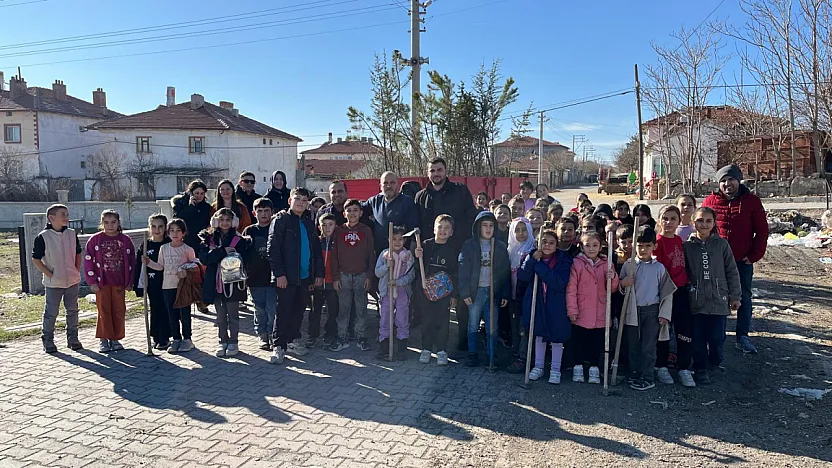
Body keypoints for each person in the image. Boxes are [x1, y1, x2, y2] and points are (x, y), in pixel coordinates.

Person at [702, 164, 768, 355]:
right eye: (723, 181)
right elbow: (702, 228)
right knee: (715, 297)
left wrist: (754, 255)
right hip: (716, 261)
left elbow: (762, 231)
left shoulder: (751, 201)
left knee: (743, 297)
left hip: (741, 260)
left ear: (738, 180)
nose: (727, 184)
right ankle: (716, 335)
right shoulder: (710, 201)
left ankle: (742, 336)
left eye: (731, 179)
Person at [414, 158, 478, 351]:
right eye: (432, 170)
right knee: (430, 301)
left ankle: (463, 341)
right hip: (431, 256)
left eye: (439, 170)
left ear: (446, 171)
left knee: (459, 297)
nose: (436, 174)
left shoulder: (460, 190)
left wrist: (464, 245)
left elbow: (471, 218)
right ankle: (429, 343)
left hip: (457, 252)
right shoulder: (421, 197)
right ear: (428, 173)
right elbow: (418, 226)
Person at [684, 207, 741, 385]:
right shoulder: (687, 246)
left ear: (714, 223)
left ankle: (715, 362)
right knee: (698, 338)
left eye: (708, 221)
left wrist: (735, 296)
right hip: (697, 300)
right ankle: (700, 368)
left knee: (717, 337)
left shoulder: (722, 245)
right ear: (693, 222)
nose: (704, 224)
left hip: (719, 300)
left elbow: (732, 271)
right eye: (700, 220)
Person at [268, 188, 324, 364]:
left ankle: (292, 340)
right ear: (290, 200)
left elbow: (315, 250)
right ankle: (279, 345)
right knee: (283, 311)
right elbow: (273, 249)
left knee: (299, 310)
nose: (301, 202)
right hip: (287, 276)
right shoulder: (281, 220)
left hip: (305, 276)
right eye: (297, 199)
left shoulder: (308, 223)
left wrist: (317, 274)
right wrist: (279, 274)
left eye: (304, 200)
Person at [618, 226, 676, 391]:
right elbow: (620, 287)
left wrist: (664, 314)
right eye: (640, 245)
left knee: (648, 346)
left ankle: (648, 376)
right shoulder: (628, 265)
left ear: (654, 246)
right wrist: (623, 283)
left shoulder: (659, 268)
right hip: (632, 311)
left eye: (647, 246)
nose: (643, 249)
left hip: (652, 311)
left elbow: (667, 292)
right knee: (633, 345)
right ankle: (635, 372)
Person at [518, 229, 573, 384]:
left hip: (556, 304)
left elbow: (558, 282)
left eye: (551, 243)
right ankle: (539, 366)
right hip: (537, 302)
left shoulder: (563, 261)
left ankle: (555, 369)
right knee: (539, 334)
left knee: (557, 336)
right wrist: (532, 260)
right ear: (537, 243)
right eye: (544, 242)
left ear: (556, 246)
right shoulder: (531, 257)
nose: (547, 245)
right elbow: (523, 276)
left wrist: (539, 266)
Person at [458, 211, 510, 367]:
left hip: (493, 291)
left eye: (491, 225)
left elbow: (505, 272)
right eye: (484, 225)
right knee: (473, 323)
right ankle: (472, 354)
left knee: (492, 326)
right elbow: (463, 270)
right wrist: (465, 292)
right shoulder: (469, 246)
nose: (488, 229)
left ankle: (491, 355)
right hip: (476, 291)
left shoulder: (500, 247)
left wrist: (505, 293)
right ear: (478, 227)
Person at [565, 231, 619, 384]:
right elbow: (571, 288)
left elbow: (612, 289)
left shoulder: (607, 263)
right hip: (581, 309)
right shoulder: (577, 263)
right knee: (578, 340)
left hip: (600, 310)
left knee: (596, 341)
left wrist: (613, 278)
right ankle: (578, 366)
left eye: (595, 245)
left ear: (600, 246)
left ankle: (594, 367)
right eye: (587, 245)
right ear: (581, 247)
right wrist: (572, 309)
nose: (591, 248)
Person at [32, 204, 83, 353]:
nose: (66, 217)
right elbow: (36, 259)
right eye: (63, 215)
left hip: (72, 281)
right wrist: (50, 275)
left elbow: (78, 253)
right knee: (51, 312)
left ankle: (73, 338)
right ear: (52, 218)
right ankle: (48, 339)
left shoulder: (72, 233)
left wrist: (75, 270)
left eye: (67, 214)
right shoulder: (43, 237)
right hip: (53, 283)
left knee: (73, 310)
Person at [652, 205, 693, 386]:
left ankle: (684, 367)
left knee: (684, 329)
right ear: (659, 220)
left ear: (679, 221)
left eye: (673, 219)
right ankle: (661, 366)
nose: (668, 222)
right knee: (663, 330)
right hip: (665, 291)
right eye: (665, 218)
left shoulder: (678, 240)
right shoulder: (657, 242)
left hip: (682, 290)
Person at [84, 210, 135, 353]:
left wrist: (130, 281)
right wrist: (92, 281)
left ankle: (115, 338)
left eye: (113, 222)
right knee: (104, 310)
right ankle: (103, 339)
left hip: (119, 282)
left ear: (118, 223)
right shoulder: (95, 240)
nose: (110, 225)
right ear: (102, 223)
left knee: (119, 310)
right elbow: (88, 261)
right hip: (102, 283)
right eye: (106, 222)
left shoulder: (125, 240)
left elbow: (132, 261)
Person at [200, 208, 248, 358]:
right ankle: (222, 341)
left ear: (233, 222)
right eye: (221, 220)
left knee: (233, 315)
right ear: (215, 221)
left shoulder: (239, 240)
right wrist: (223, 251)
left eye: (228, 220)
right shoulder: (207, 239)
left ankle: (233, 342)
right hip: (215, 284)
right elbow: (204, 259)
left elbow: (243, 260)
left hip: (233, 284)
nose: (225, 223)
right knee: (220, 316)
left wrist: (226, 254)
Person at [329, 199, 376, 352]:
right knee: (344, 308)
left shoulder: (366, 230)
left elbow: (371, 254)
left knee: (361, 307)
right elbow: (334, 255)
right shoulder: (339, 230)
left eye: (355, 210)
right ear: (344, 214)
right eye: (349, 210)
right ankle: (342, 336)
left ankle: (361, 336)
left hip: (361, 275)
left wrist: (369, 276)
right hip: (343, 275)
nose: (352, 213)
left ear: (361, 213)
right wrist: (335, 277)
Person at [145, 218, 197, 354]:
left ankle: (187, 339)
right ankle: (176, 338)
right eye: (172, 230)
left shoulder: (188, 249)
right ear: (168, 233)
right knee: (171, 315)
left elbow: (195, 266)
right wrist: (149, 262)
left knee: (184, 314)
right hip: (167, 286)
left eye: (178, 230)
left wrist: (186, 270)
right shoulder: (164, 248)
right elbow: (160, 266)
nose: (175, 233)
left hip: (183, 287)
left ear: (184, 233)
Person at [414, 214, 458, 366]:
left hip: (444, 293)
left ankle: (441, 350)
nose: (443, 230)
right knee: (427, 320)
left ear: (451, 232)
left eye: (447, 228)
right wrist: (417, 255)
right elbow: (417, 267)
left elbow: (455, 273)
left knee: (442, 321)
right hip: (426, 292)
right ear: (434, 229)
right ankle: (426, 348)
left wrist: (454, 295)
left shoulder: (452, 250)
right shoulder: (425, 245)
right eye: (440, 227)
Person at [375, 225, 415, 358]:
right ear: (388, 240)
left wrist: (398, 282)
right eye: (394, 239)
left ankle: (402, 346)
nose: (397, 242)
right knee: (385, 317)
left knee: (402, 318)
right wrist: (387, 266)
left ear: (404, 240)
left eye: (400, 239)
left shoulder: (408, 256)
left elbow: (411, 276)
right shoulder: (384, 255)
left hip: (402, 292)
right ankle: (384, 346)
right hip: (387, 292)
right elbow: (377, 272)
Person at [242, 197, 277, 350]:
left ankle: (272, 334)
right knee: (259, 308)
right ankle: (262, 335)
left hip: (273, 277)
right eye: (260, 211)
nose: (263, 214)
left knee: (272, 308)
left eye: (266, 211)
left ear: (272, 212)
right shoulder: (249, 231)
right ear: (254, 213)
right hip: (254, 278)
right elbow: (243, 253)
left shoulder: (276, 228)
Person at [134, 214, 171, 350]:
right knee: (155, 309)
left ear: (165, 227)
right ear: (149, 227)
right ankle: (156, 336)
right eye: (153, 226)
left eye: (160, 226)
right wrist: (137, 286)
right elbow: (139, 266)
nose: (157, 230)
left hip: (168, 283)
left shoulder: (168, 243)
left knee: (166, 309)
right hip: (152, 283)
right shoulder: (146, 244)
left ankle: (165, 337)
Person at [504, 217, 534, 374]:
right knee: (515, 326)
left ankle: (523, 357)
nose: (521, 233)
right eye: (517, 230)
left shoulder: (533, 250)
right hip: (512, 297)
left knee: (524, 328)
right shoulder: (510, 251)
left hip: (527, 297)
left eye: (524, 230)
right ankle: (515, 354)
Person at [364, 172, 419, 255]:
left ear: (398, 185)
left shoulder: (407, 202)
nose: (389, 186)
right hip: (380, 255)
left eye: (392, 182)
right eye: (385, 183)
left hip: (401, 255)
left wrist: (411, 253)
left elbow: (414, 229)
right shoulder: (375, 201)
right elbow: (357, 210)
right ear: (380, 186)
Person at [312, 214, 339, 348]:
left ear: (335, 226)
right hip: (317, 283)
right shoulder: (315, 242)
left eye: (330, 225)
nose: (327, 228)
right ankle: (313, 335)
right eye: (324, 225)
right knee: (315, 310)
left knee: (332, 311)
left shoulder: (338, 243)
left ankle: (330, 334)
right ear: (319, 227)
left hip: (331, 282)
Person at [171, 180, 212, 251]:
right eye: (197, 193)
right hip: (185, 239)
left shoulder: (206, 207)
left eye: (202, 194)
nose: (199, 196)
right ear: (191, 193)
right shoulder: (180, 203)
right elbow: (177, 219)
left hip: (200, 240)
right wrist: (190, 207)